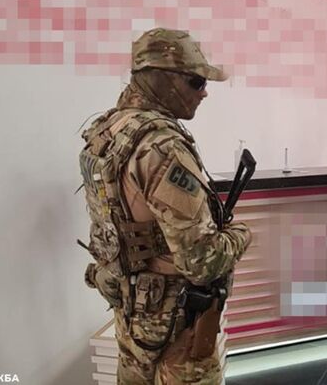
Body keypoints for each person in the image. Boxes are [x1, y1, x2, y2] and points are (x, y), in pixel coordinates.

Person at [78, 27, 252, 385]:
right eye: (196, 81)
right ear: (163, 79)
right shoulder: (162, 148)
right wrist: (240, 234)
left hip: (132, 312)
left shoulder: (108, 130)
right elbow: (201, 262)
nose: (204, 92)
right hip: (176, 324)